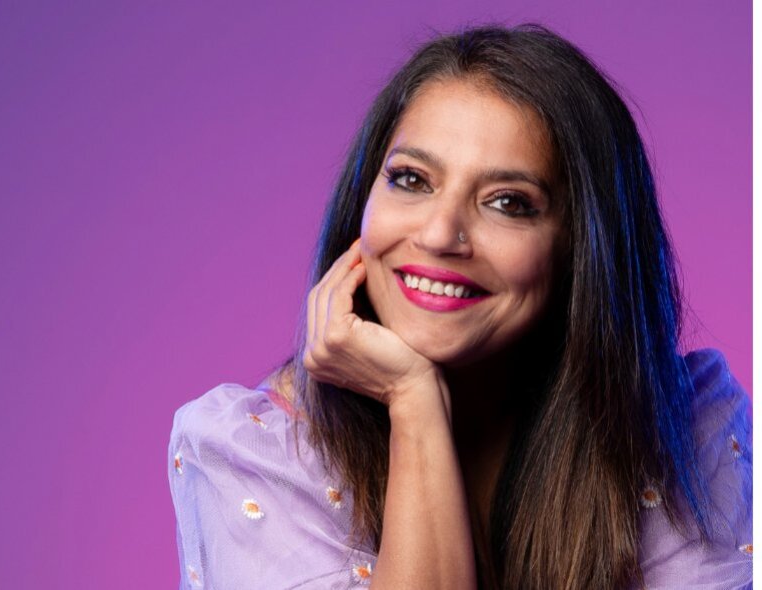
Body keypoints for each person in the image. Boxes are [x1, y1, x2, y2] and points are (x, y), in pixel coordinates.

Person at [167, 24, 752, 589]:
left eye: (508, 202)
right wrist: (415, 403)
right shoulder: (251, 454)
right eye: (412, 179)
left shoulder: (685, 425)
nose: (442, 233)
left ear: (581, 250)